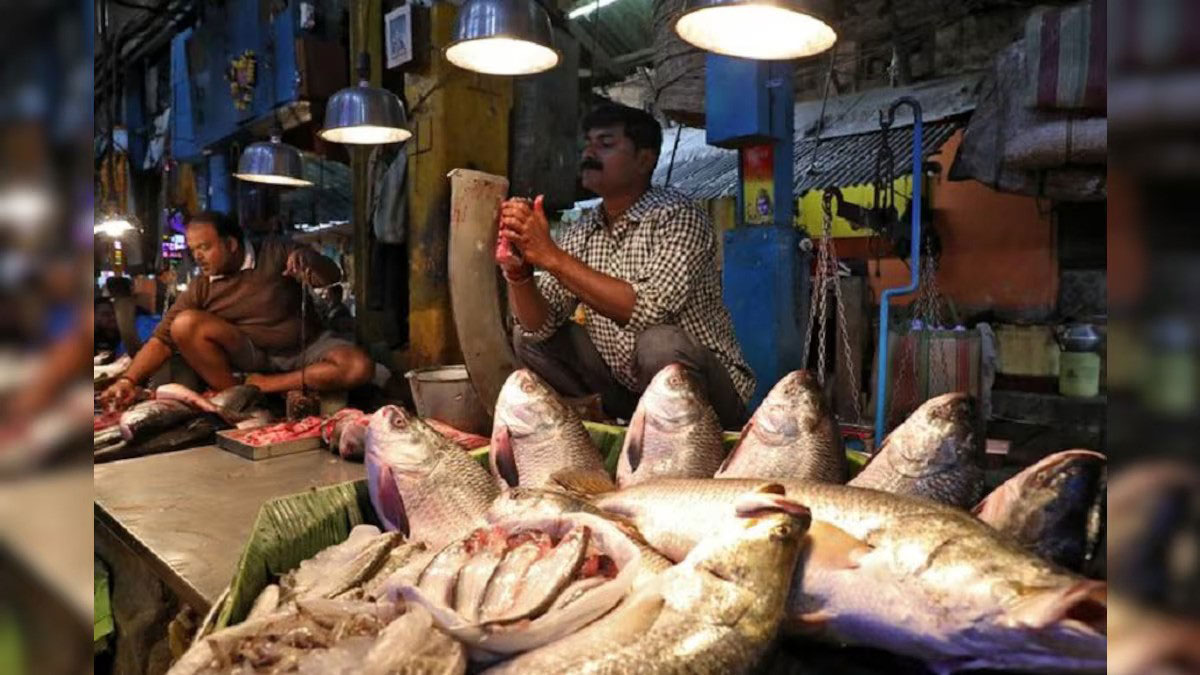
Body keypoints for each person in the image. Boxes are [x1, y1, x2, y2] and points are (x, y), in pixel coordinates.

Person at [497, 103, 754, 429]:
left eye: (605, 144)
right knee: (528, 338)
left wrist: (551, 256)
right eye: (587, 143)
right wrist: (519, 274)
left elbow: (647, 312)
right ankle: (606, 422)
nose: (589, 153)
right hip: (629, 389)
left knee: (658, 343)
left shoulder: (679, 217)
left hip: (709, 395)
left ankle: (685, 437)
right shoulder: (584, 230)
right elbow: (539, 326)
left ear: (644, 160)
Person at [99, 211, 375, 409]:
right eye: (194, 250)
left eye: (205, 247)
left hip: (307, 347)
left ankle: (265, 387)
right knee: (184, 324)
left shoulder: (276, 252)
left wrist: (310, 262)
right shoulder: (201, 287)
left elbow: (332, 274)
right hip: (253, 355)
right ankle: (238, 397)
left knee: (358, 366)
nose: (198, 257)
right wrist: (128, 380)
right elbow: (162, 340)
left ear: (230, 244)